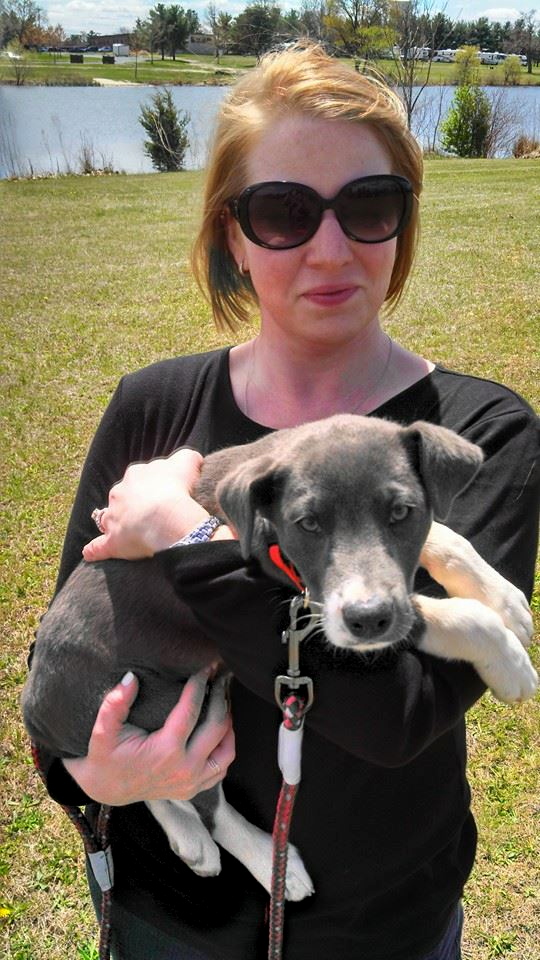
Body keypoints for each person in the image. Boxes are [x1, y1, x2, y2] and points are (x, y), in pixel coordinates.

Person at [31, 44, 538, 960]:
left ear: (405, 222)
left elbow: (396, 718)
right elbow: (69, 652)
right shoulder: (153, 408)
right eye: (283, 212)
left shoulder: (479, 431)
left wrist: (183, 533)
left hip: (386, 933)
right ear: (233, 235)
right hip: (170, 923)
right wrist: (90, 777)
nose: (331, 249)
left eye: (370, 206)